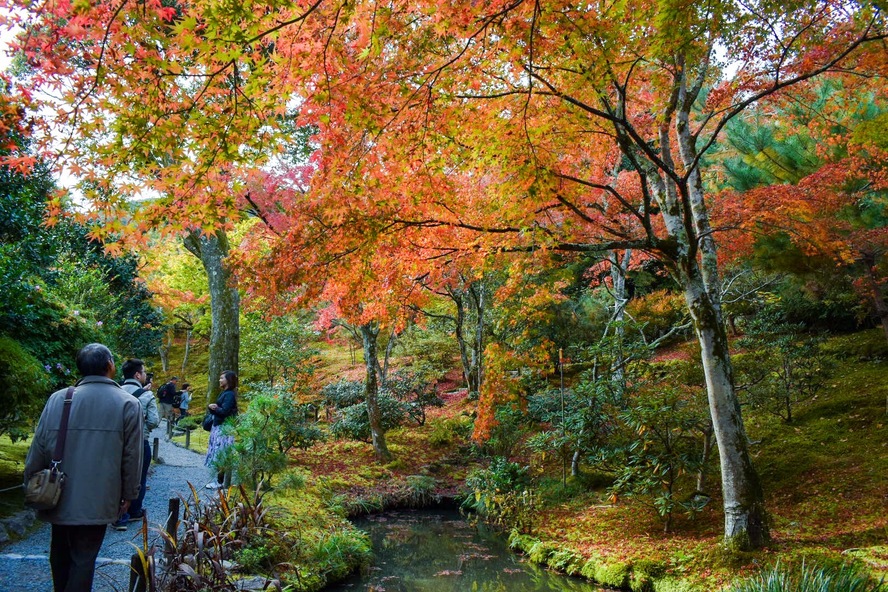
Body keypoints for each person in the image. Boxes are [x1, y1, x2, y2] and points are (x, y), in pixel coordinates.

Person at [24, 343, 142, 592]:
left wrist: (31, 481)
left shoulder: (59, 398)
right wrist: (130, 494)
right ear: (109, 366)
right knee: (84, 558)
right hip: (100, 495)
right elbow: (132, 456)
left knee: (60, 553)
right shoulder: (128, 403)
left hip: (59, 491)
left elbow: (39, 447)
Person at [112, 358, 160, 531]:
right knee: (138, 476)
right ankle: (133, 510)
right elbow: (155, 421)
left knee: (116, 475)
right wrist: (142, 426)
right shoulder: (146, 395)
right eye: (144, 372)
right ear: (138, 374)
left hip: (116, 441)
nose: (146, 375)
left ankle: (117, 514)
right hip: (140, 441)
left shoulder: (114, 392)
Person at [205, 370, 238, 489]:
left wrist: (214, 408)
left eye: (222, 378)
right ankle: (220, 481)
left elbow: (224, 411)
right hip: (220, 427)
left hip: (224, 428)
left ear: (228, 380)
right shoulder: (225, 393)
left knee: (221, 453)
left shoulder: (229, 394)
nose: (219, 380)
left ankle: (220, 482)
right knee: (219, 453)